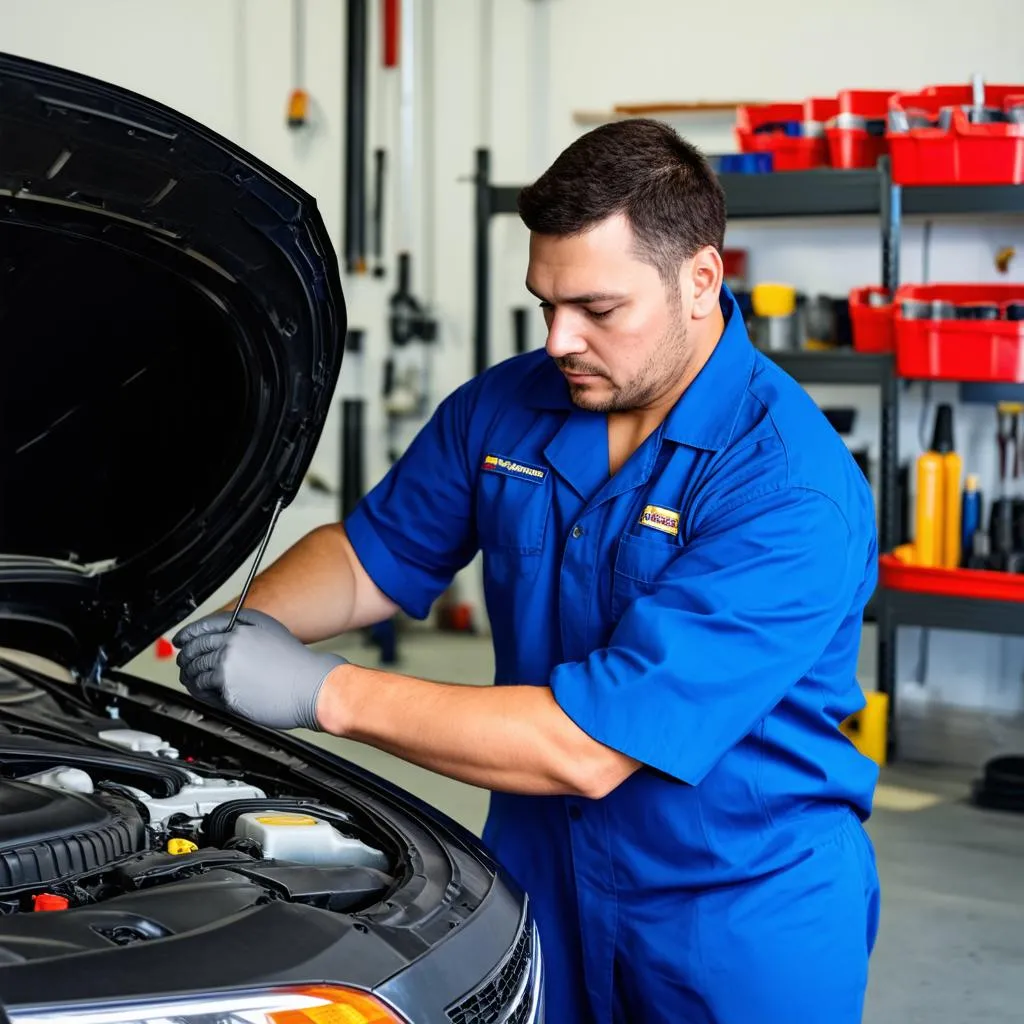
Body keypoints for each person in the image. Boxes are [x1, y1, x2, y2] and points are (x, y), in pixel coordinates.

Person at [174, 118, 881, 1024]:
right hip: (538, 886)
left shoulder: (788, 488)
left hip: (736, 911)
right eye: (545, 304)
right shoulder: (508, 406)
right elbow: (369, 560)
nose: (558, 340)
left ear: (701, 280)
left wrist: (323, 691)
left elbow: (588, 746)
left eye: (597, 308)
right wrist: (250, 628)